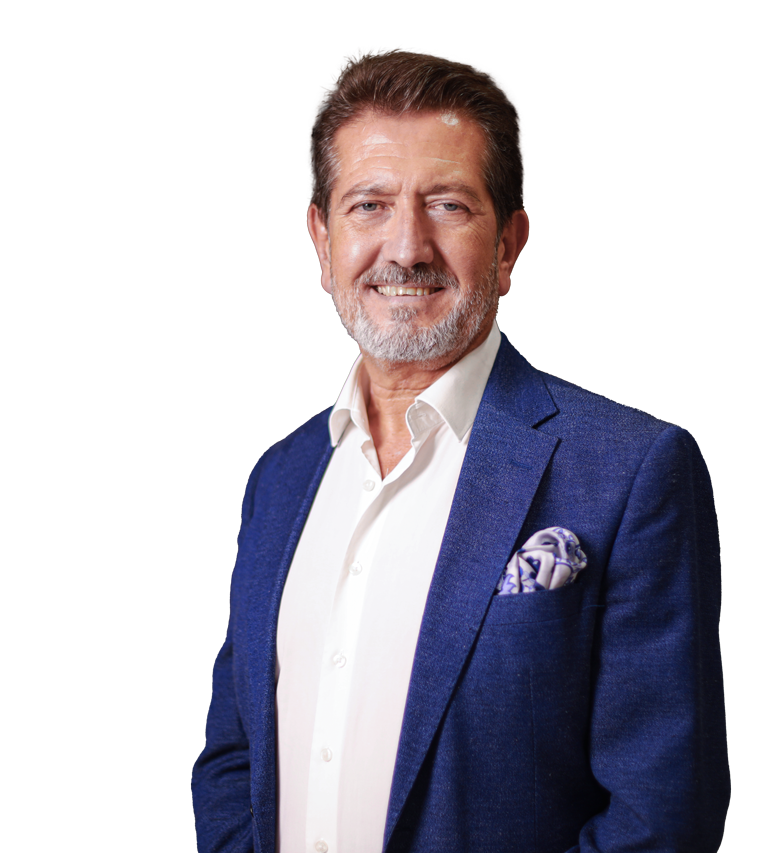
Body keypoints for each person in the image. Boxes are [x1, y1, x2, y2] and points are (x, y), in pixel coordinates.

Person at [192, 50, 729, 853]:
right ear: (322, 242)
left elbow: (661, 819)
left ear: (507, 245)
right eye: (369, 205)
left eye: (447, 205)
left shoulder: (631, 473)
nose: (406, 247)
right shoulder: (281, 477)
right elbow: (233, 758)